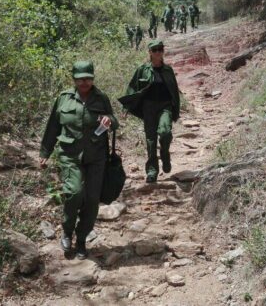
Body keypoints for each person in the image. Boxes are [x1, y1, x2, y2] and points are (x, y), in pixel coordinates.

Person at [39, 61, 119, 259]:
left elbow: (114, 121)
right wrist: (45, 152)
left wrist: (110, 121)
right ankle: (67, 232)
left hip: (96, 156)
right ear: (73, 79)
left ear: (92, 78)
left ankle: (82, 239)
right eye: (80, 78)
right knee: (74, 193)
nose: (84, 82)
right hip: (70, 155)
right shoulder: (63, 99)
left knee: (92, 200)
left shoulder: (101, 98)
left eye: (88, 78)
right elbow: (53, 127)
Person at [118, 40, 180, 183]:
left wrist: (175, 110)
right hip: (148, 107)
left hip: (165, 106)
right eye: (155, 50)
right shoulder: (142, 69)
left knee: (165, 132)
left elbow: (174, 91)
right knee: (151, 140)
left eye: (160, 49)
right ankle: (152, 170)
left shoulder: (168, 70)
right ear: (150, 52)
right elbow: (133, 88)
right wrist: (126, 107)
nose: (158, 52)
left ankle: (165, 154)